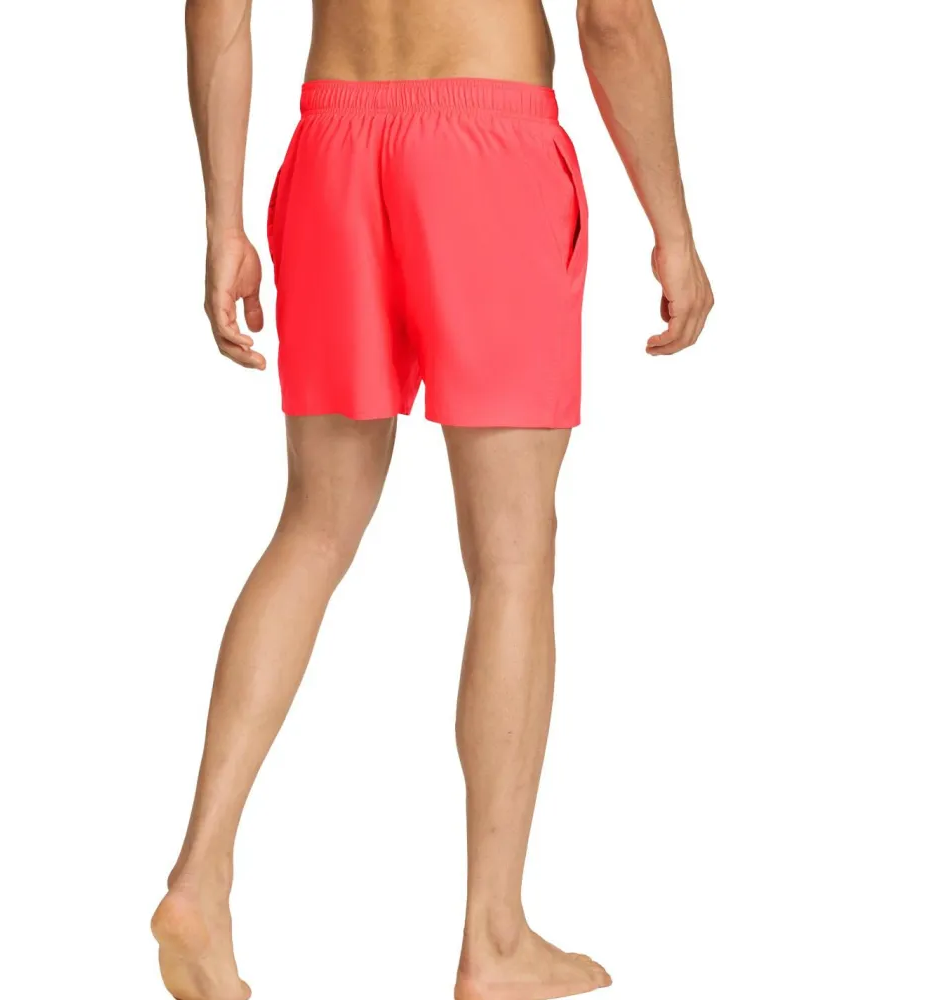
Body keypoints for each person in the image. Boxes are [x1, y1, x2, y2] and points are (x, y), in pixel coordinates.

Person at [152, 0, 713, 997]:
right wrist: (673, 226)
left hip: (333, 145)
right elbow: (614, 20)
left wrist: (222, 220)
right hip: (487, 150)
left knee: (315, 526)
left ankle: (199, 877)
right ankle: (493, 938)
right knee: (512, 558)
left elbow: (218, 10)